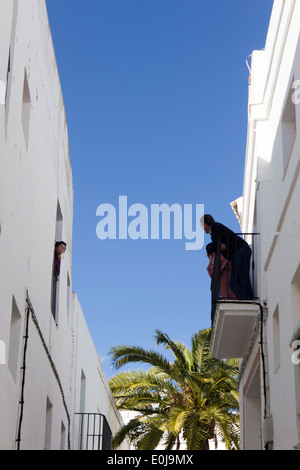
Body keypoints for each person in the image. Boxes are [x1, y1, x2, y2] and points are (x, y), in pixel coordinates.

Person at [201, 214, 253, 299]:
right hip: (237, 254)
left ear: (205, 224)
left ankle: (248, 298)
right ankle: (246, 298)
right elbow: (220, 244)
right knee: (234, 282)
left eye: (202, 225)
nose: (202, 228)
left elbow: (218, 244)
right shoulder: (216, 229)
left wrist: (210, 249)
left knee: (242, 278)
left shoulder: (215, 227)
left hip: (240, 251)